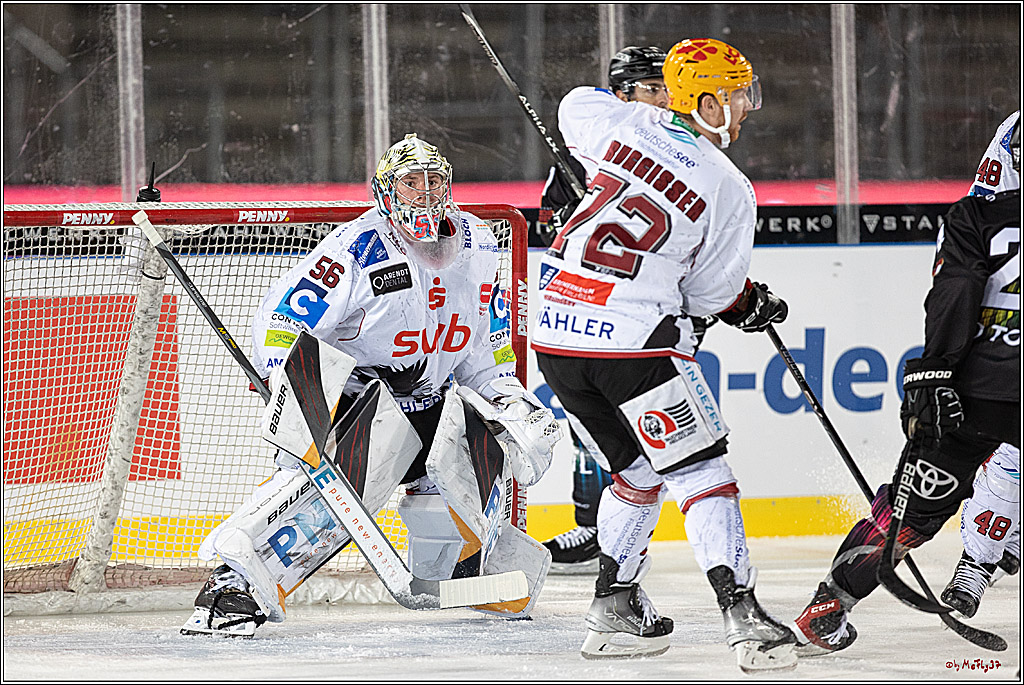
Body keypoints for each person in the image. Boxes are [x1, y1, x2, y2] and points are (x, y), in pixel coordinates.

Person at [181, 134, 560, 637]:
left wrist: (510, 399)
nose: (425, 194)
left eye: (434, 181)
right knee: (333, 491)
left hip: (434, 404)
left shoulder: (480, 243)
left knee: (486, 446)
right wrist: (295, 389)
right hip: (361, 406)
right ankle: (234, 583)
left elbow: (485, 348)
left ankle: (451, 572)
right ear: (386, 191)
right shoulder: (358, 248)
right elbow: (283, 321)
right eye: (411, 183)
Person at [532, 38, 797, 673]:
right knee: (703, 471)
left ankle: (613, 605)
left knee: (637, 473)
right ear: (703, 102)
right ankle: (745, 618)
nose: (745, 109)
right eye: (736, 96)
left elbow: (573, 106)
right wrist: (747, 303)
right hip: (632, 342)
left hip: (556, 336)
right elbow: (711, 292)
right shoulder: (728, 185)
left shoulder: (618, 120)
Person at [790, 121, 1020, 653]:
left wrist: (933, 372)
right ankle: (987, 558)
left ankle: (828, 607)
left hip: (977, 391)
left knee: (910, 511)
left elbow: (955, 291)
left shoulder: (974, 216)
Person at [537, 45, 671, 575]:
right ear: (623, 93)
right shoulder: (587, 148)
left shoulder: (678, 146)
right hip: (594, 311)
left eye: (667, 88)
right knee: (592, 426)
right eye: (652, 88)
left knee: (652, 430)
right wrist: (575, 207)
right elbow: (555, 218)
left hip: (650, 310)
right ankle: (595, 524)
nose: (664, 99)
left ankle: (624, 529)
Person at [941, 111, 1021, 617]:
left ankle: (1005, 532)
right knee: (1013, 452)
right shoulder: (1010, 142)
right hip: (1005, 313)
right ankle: (976, 561)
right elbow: (976, 237)